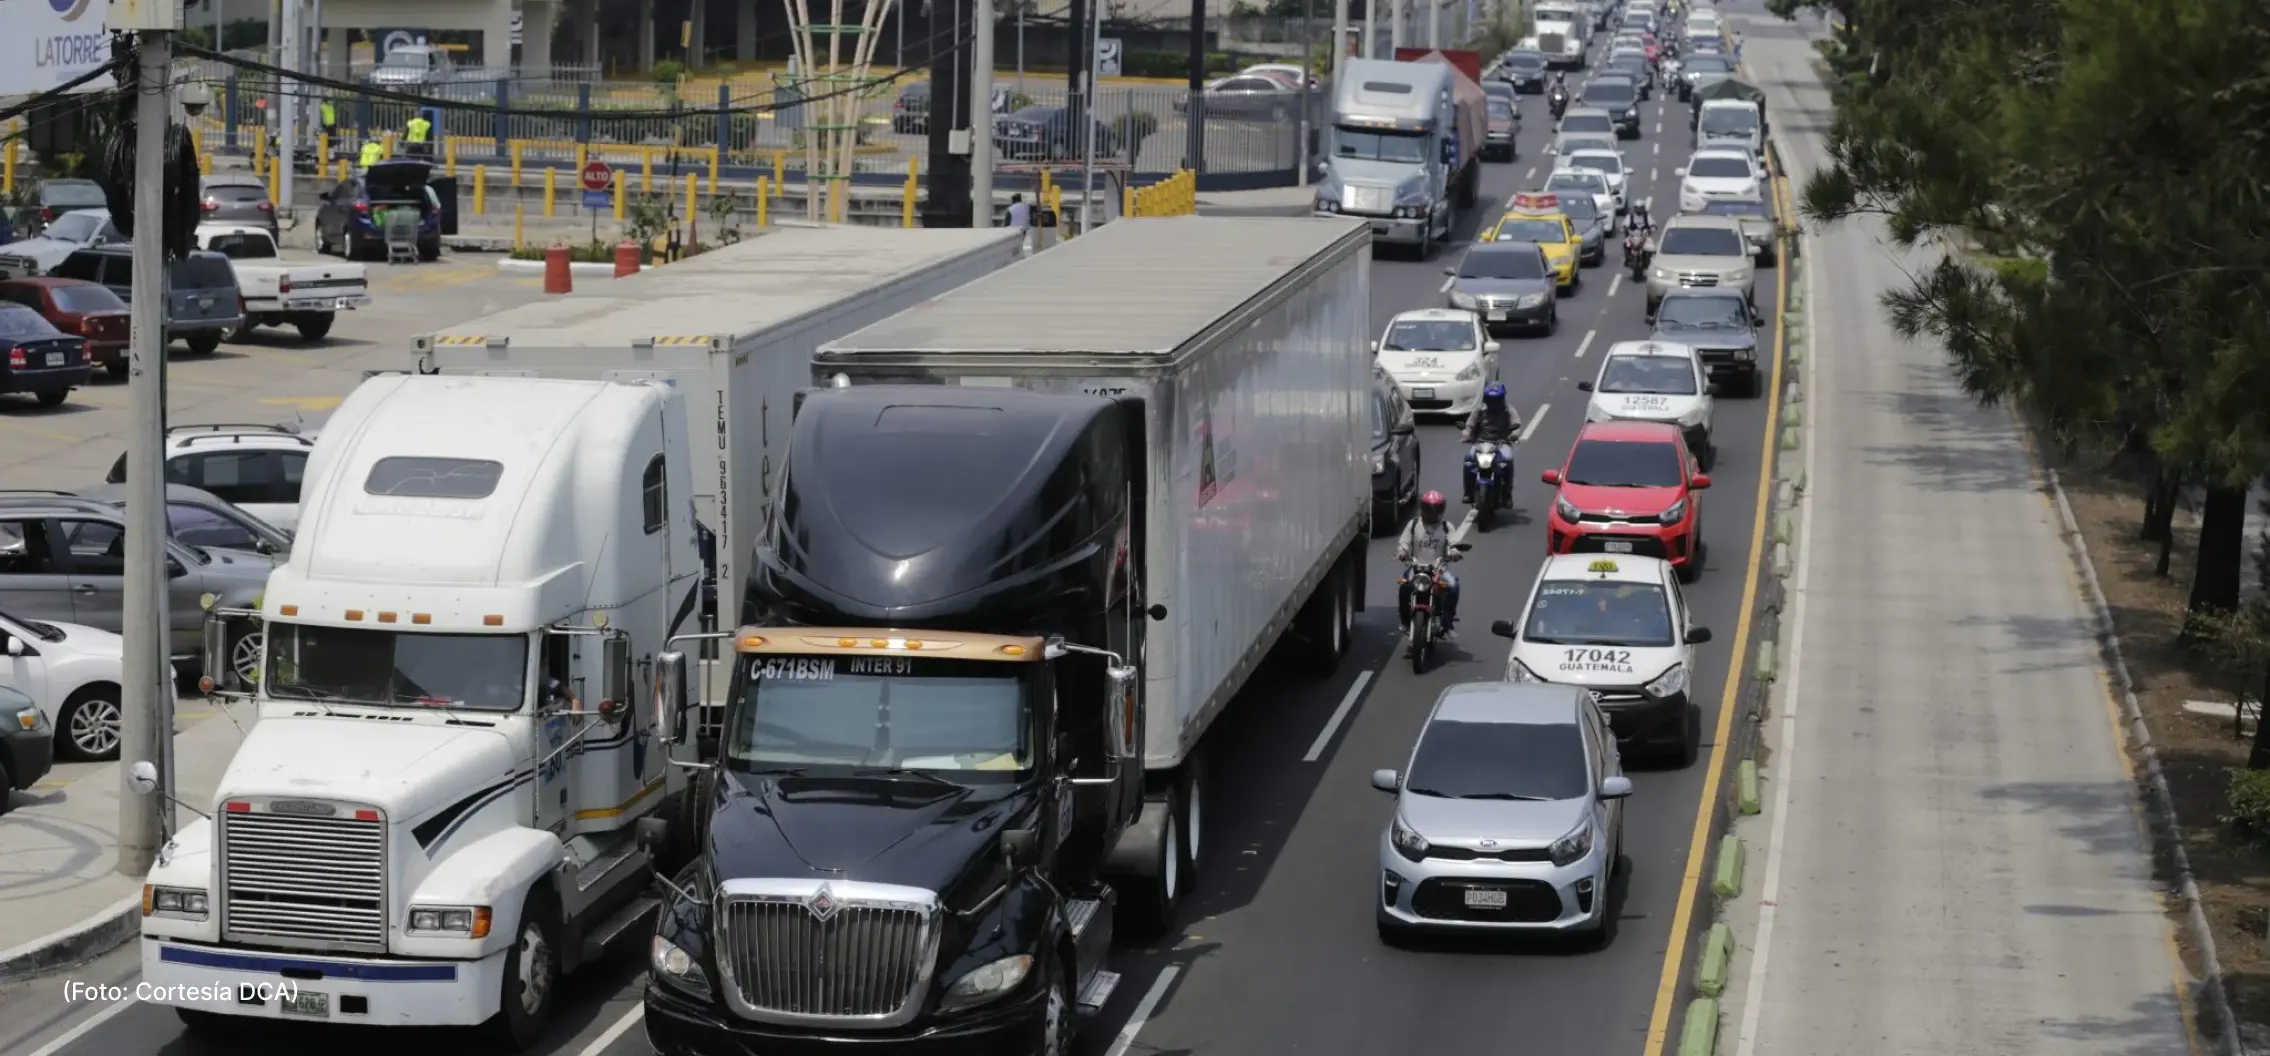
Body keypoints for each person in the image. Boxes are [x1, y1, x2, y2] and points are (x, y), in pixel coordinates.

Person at [1395, 491, 1462, 637]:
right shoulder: (1413, 524)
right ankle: (1405, 621)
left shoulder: (1446, 526)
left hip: (1439, 569)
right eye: (1429, 508)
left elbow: (1454, 543)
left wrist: (1454, 552)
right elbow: (1403, 543)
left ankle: (1448, 623)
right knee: (1405, 587)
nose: (1432, 513)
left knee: (1453, 586)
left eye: (1436, 509)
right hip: (1416, 567)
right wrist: (1402, 552)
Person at [1459, 382, 1523, 503]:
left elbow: (1517, 424)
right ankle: (1468, 492)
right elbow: (1470, 424)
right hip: (1481, 443)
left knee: (1508, 459)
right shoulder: (1479, 410)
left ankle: (1507, 493)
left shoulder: (1508, 410)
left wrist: (1515, 434)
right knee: (1468, 460)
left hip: (1501, 443)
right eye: (1490, 400)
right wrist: (1466, 433)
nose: (1493, 403)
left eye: (1496, 399)